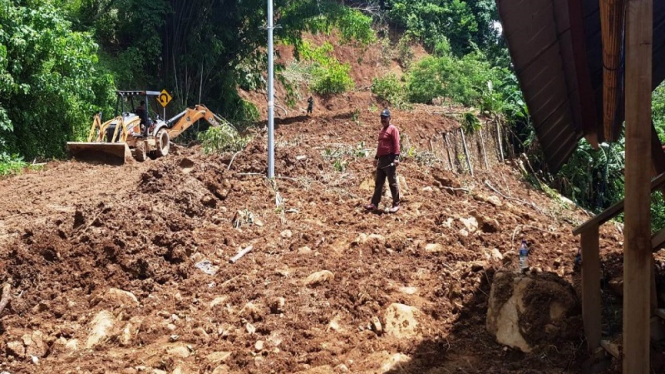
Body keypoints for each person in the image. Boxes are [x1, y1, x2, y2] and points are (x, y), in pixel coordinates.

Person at [365, 109, 401, 213]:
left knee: (392, 182)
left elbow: (396, 144)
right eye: (382, 118)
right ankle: (374, 204)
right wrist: (376, 158)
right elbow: (380, 146)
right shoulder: (381, 131)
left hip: (390, 158)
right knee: (378, 183)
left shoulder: (393, 129)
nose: (383, 119)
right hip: (381, 160)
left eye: (385, 117)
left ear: (389, 118)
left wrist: (396, 157)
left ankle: (396, 204)